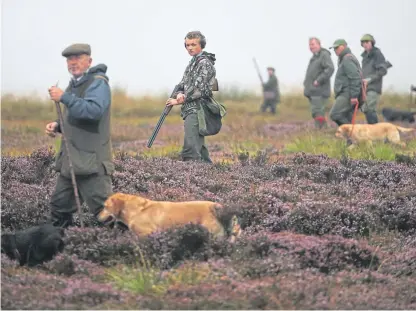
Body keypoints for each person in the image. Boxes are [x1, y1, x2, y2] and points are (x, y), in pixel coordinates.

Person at [45, 43, 114, 228]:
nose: (73, 62)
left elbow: (93, 111)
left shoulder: (98, 83)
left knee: (106, 214)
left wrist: (64, 98)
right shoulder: (74, 85)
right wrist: (58, 126)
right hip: (71, 164)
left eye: (78, 58)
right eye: (69, 59)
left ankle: (122, 250)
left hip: (92, 164)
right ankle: (63, 253)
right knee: (58, 210)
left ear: (89, 61)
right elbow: (75, 114)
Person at [166, 31, 217, 163]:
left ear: (201, 45)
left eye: (193, 44)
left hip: (198, 108)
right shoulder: (193, 63)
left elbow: (199, 89)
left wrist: (180, 99)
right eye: (187, 45)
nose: (190, 48)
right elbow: (183, 84)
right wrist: (179, 93)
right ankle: (209, 173)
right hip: (191, 108)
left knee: (191, 146)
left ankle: (192, 174)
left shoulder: (204, 63)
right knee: (199, 146)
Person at [329, 39, 362, 126]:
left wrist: (354, 96)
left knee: (335, 114)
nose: (335, 50)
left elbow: (355, 77)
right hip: (345, 92)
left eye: (337, 48)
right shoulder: (344, 58)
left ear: (343, 46)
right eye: (334, 48)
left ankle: (350, 133)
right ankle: (351, 138)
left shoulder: (347, 59)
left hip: (347, 93)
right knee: (347, 116)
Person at [303, 37, 335, 129]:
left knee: (317, 111)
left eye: (313, 44)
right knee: (315, 112)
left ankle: (322, 130)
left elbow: (330, 68)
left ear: (319, 45)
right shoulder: (314, 57)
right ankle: (322, 129)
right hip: (313, 91)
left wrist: (319, 80)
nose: (311, 46)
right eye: (310, 45)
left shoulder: (324, 55)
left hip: (320, 91)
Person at [360, 34, 389, 124]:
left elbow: (383, 71)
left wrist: (370, 79)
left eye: (367, 42)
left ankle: (376, 131)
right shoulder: (364, 56)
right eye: (363, 42)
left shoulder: (377, 54)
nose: (365, 44)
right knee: (365, 109)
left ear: (372, 42)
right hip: (365, 87)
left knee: (369, 108)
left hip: (374, 87)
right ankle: (374, 130)